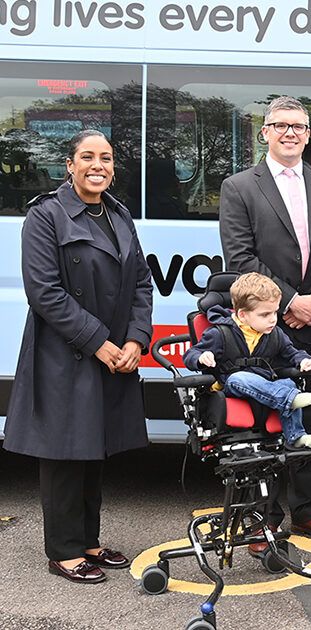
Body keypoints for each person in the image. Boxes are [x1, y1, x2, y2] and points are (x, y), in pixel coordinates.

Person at [3, 130, 153, 584]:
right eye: (87, 157)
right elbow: (44, 293)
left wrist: (134, 340)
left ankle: (89, 541)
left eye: (106, 158)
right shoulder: (45, 216)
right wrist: (101, 342)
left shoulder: (119, 215)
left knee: (94, 450)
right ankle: (64, 551)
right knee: (65, 454)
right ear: (69, 165)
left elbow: (142, 283)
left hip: (111, 352)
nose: (98, 165)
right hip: (67, 354)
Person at [220, 96, 311, 548]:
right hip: (263, 330)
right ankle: (262, 516)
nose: (290, 133)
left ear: (308, 134)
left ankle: (307, 511)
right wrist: (290, 301)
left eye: (298, 126)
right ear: (265, 132)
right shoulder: (239, 187)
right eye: (280, 125)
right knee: (262, 423)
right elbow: (240, 260)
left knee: (308, 419)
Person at [183, 272, 311, 449]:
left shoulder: (275, 334)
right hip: (230, 385)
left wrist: (303, 360)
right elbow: (190, 355)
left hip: (264, 384)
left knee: (289, 383)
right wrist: (202, 357)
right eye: (265, 315)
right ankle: (288, 398)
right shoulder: (220, 333)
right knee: (239, 378)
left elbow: (291, 352)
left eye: (274, 313)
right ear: (242, 315)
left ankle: (296, 436)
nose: (272, 319)